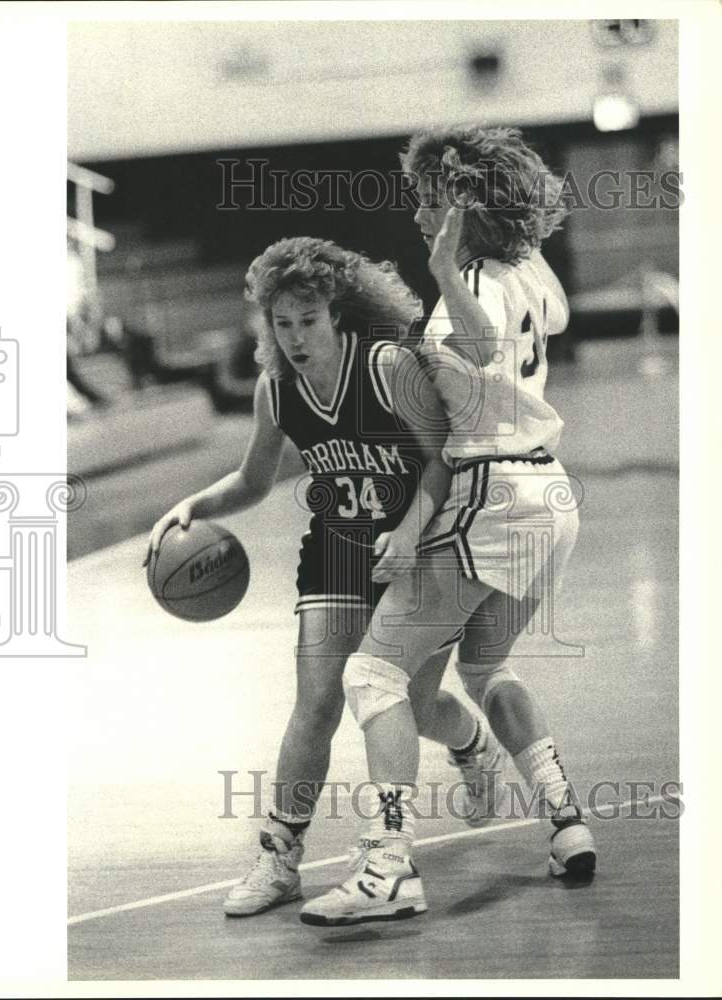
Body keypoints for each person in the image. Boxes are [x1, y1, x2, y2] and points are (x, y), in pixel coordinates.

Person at [301, 126, 597, 927]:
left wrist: (441, 273)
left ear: (462, 205)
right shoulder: (528, 269)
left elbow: (479, 342)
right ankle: (565, 818)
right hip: (550, 497)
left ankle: (387, 864)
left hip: (492, 495)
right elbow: (544, 325)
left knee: (372, 677)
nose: (417, 212)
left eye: (429, 199)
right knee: (487, 666)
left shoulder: (465, 274)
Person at [143, 237, 489, 918]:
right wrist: (194, 505)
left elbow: (441, 461)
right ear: (265, 326)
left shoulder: (388, 366)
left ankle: (471, 743)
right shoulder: (277, 389)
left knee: (413, 704)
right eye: (281, 323)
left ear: (335, 313)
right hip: (335, 548)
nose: (295, 336)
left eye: (307, 320)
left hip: (420, 544)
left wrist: (411, 532)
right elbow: (251, 479)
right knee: (317, 704)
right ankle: (278, 858)